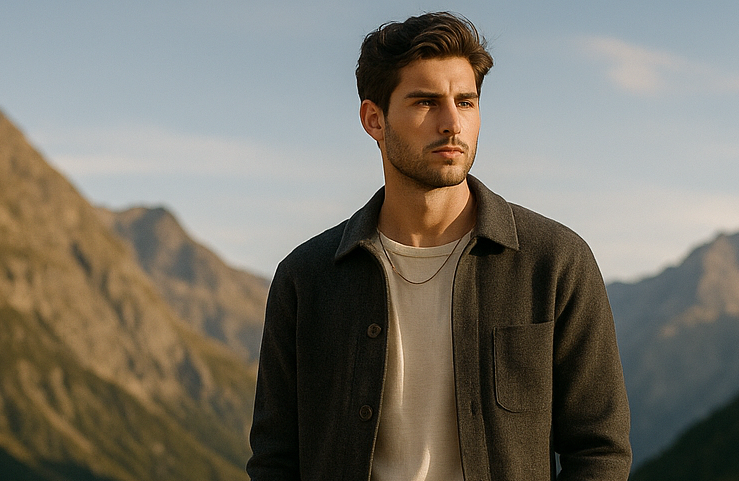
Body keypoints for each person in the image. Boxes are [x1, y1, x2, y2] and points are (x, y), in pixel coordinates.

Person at [247, 11, 630, 481]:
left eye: (465, 102)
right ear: (374, 119)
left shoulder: (555, 263)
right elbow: (275, 459)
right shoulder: (306, 278)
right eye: (426, 102)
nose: (452, 123)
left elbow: (599, 451)